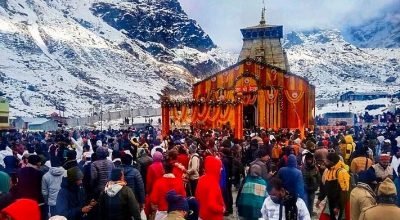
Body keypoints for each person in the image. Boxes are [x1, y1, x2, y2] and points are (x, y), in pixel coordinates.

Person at [316, 152, 350, 220]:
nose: (325, 162)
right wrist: (320, 199)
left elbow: (344, 192)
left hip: (340, 203)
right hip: (331, 201)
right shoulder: (329, 171)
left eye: (327, 161)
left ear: (332, 162)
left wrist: (337, 206)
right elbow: (326, 187)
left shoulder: (342, 172)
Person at [195, 156, 224, 220]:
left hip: (202, 214)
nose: (221, 169)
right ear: (215, 168)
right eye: (219, 167)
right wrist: (222, 209)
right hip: (213, 216)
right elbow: (212, 205)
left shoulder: (201, 179)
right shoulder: (213, 183)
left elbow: (197, 196)